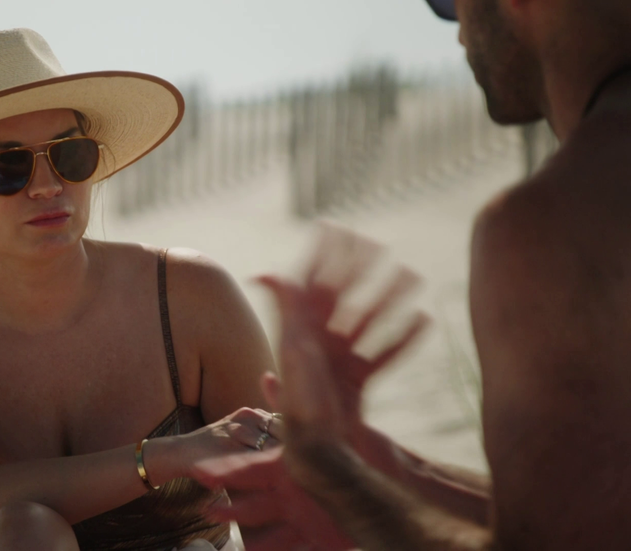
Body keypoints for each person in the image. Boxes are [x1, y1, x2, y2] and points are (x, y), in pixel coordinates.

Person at [194, 0, 631, 549]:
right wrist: (395, 472)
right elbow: (586, 518)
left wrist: (338, 480)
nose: (456, 30)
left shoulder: (556, 220)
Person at [0, 29, 284, 551]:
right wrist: (168, 456)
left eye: (69, 155)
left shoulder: (189, 296)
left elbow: (283, 513)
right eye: (8, 166)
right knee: (26, 529)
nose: (48, 185)